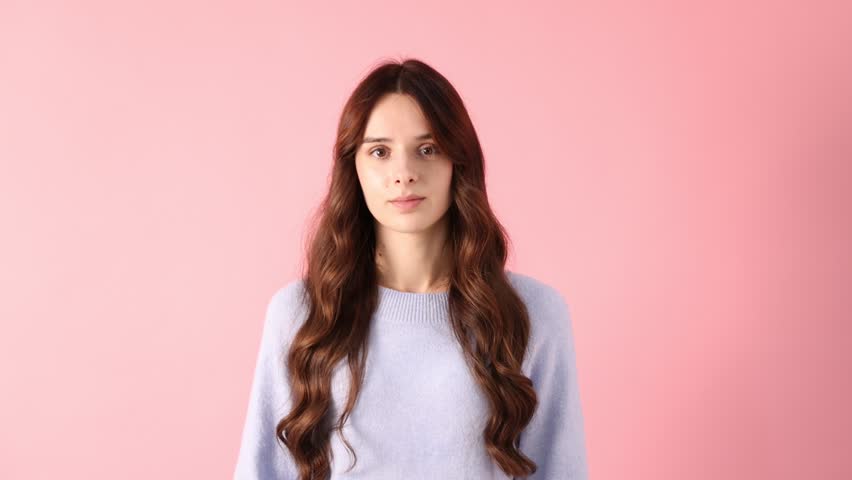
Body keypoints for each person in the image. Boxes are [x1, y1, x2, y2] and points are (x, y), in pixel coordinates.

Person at [233, 57, 588, 479]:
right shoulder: (301, 313)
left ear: (458, 161)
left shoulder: (533, 313)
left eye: (427, 149)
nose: (404, 173)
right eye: (380, 152)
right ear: (354, 167)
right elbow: (263, 471)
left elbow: (561, 470)